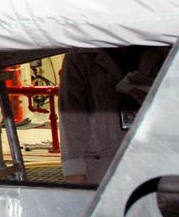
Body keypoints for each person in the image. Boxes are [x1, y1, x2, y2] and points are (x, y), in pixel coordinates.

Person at [58, 45, 166, 184]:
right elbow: (71, 118)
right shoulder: (81, 56)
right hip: (102, 163)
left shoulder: (163, 49)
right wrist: (75, 172)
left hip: (153, 158)